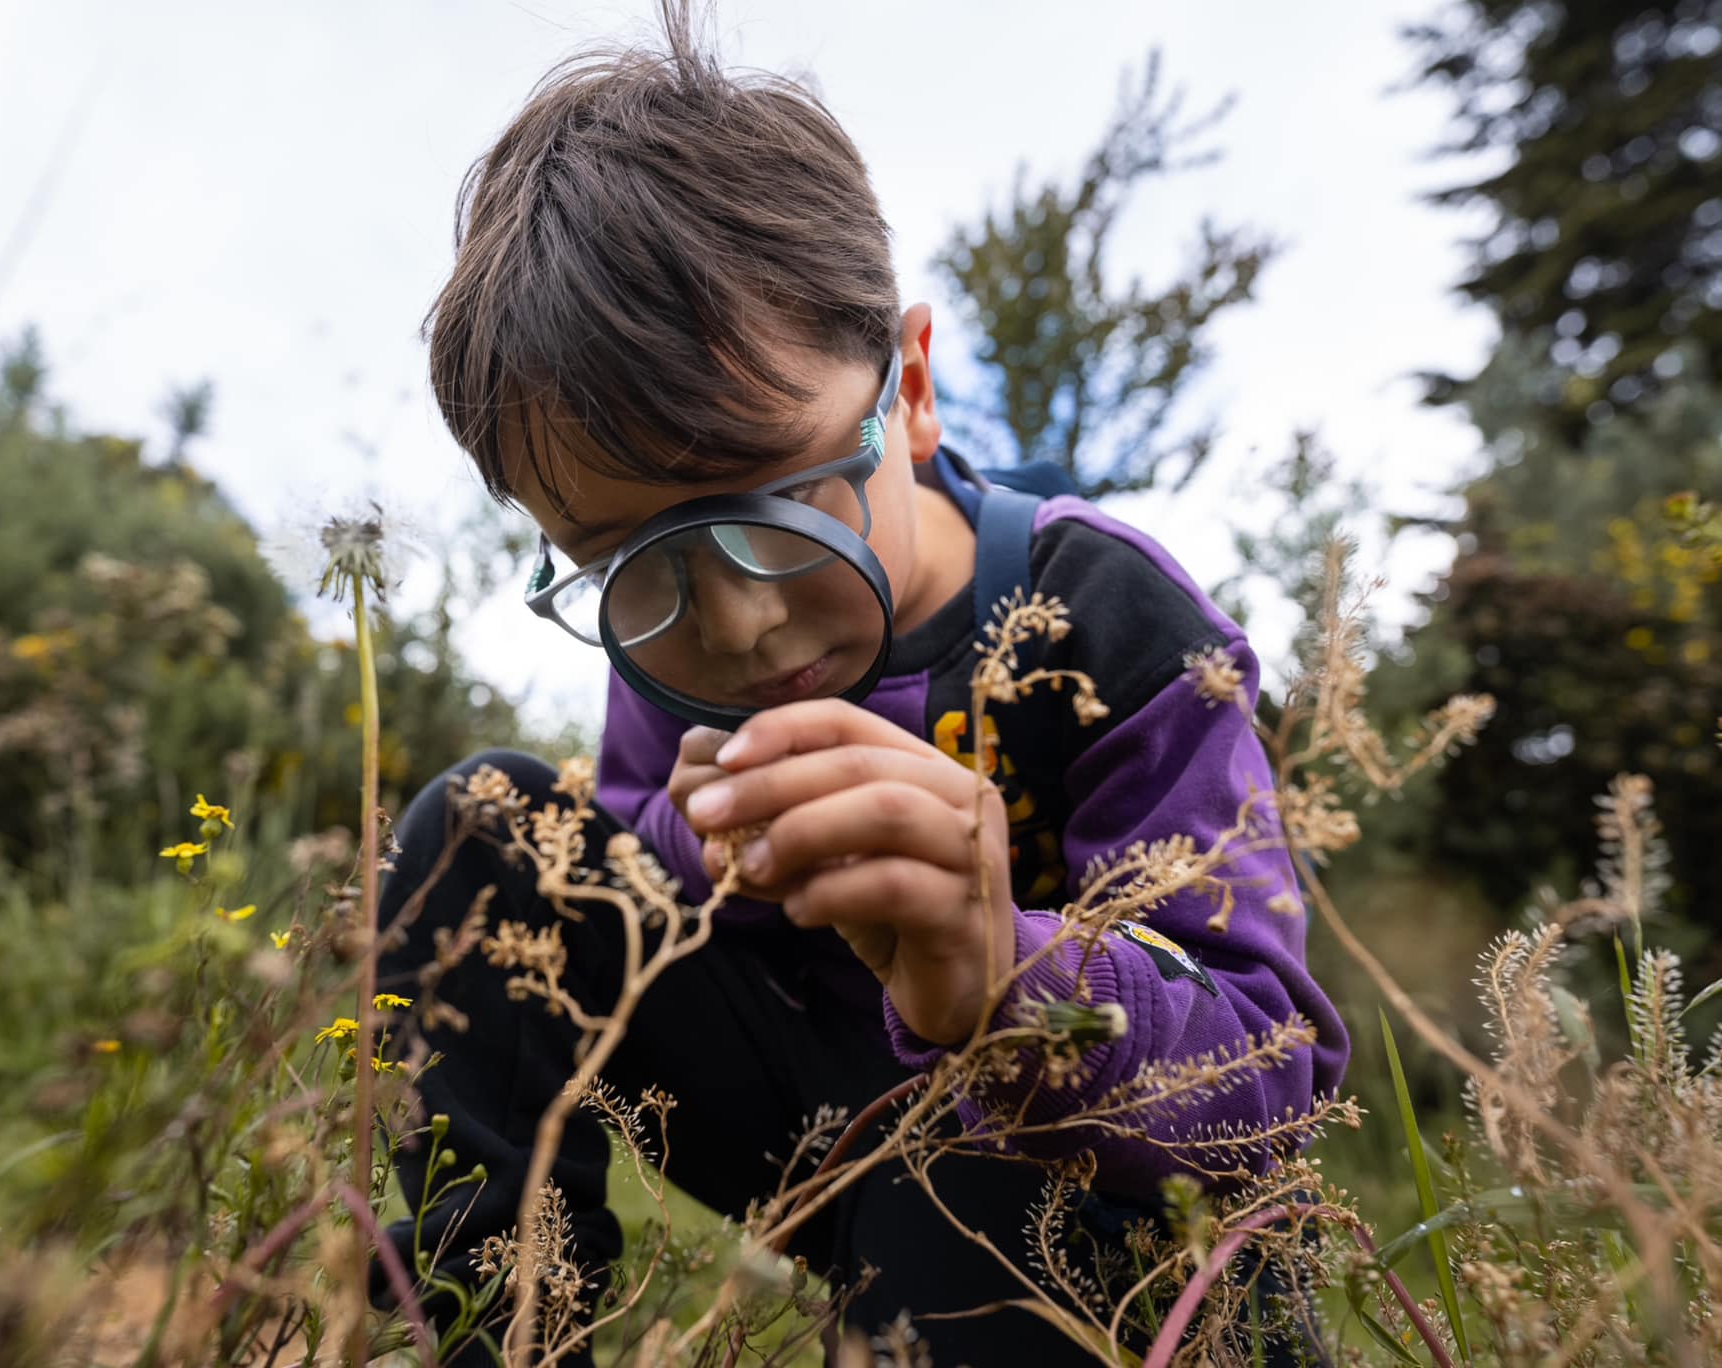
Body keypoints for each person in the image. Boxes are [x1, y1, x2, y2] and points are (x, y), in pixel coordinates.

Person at [374, 3, 1349, 1360]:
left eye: (778, 498)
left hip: (1120, 1213)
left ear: (914, 384)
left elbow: (1277, 1075)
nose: (739, 621)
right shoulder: (669, 645)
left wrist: (1002, 975)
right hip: (825, 1140)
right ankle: (482, 1332)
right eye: (629, 558)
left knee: (954, 1171)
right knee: (482, 833)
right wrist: (705, 839)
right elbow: (634, 848)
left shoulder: (1114, 622)